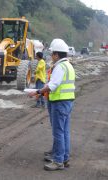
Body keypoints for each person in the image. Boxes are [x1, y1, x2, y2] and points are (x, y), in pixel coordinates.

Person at [28, 38, 75, 171]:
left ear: (56, 54)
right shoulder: (69, 65)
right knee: (64, 132)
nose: (51, 56)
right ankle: (64, 158)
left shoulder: (60, 67)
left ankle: (58, 161)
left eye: (52, 53)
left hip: (59, 103)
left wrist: (37, 91)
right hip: (67, 101)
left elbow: (52, 85)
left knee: (58, 132)